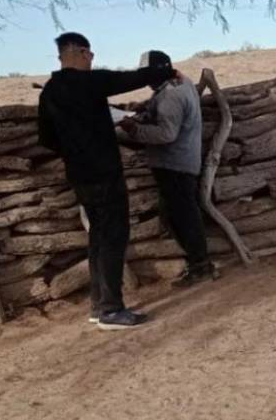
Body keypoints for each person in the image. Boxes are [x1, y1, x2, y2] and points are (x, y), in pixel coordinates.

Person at [38, 33, 179, 329]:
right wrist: (167, 71)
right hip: (103, 172)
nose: (92, 59)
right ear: (78, 52)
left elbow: (47, 139)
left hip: (79, 174)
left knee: (98, 237)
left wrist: (73, 150)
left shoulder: (49, 92)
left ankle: (98, 304)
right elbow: (130, 79)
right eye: (89, 54)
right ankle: (112, 310)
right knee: (113, 236)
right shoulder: (89, 83)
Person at [119, 50, 219, 287]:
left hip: (175, 164)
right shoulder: (179, 84)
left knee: (183, 217)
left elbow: (166, 134)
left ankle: (200, 265)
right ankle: (199, 264)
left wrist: (134, 129)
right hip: (180, 162)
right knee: (181, 214)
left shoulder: (171, 96)